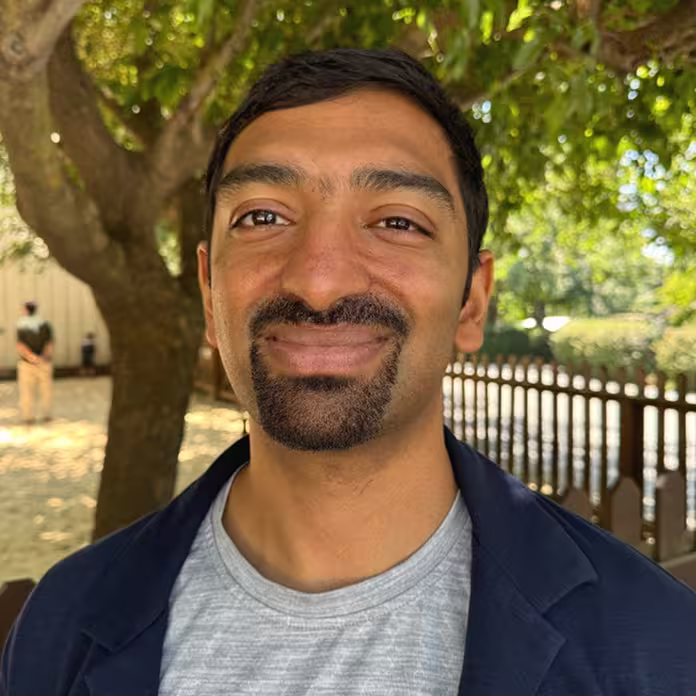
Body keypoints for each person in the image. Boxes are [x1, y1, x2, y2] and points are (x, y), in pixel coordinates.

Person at [2, 48, 696, 696]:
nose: (320, 281)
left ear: (472, 302)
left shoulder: (657, 648)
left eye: (397, 223)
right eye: (263, 216)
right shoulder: (62, 624)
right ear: (210, 294)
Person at [14, 301, 53, 424]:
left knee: (26, 391)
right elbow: (49, 343)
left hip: (27, 363)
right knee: (46, 390)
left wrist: (31, 358)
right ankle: (46, 414)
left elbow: (20, 345)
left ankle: (28, 417)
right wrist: (42, 357)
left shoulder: (21, 326)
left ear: (26, 310)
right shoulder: (45, 325)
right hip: (44, 362)